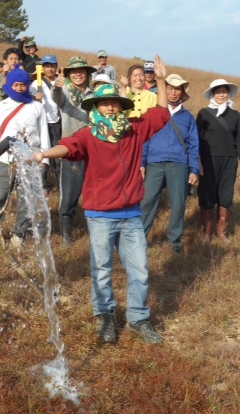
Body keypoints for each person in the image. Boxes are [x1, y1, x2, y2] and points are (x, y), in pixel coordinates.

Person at [33, 56, 170, 345]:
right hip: (100, 215)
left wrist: (159, 80)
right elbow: (67, 146)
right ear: (95, 107)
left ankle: (138, 318)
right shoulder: (88, 134)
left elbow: (161, 113)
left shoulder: (134, 130)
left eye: (114, 103)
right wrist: (44, 154)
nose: (109, 107)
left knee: (140, 270)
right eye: (103, 104)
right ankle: (105, 316)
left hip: (132, 213)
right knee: (103, 270)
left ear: (121, 106)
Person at [0, 66, 50, 252]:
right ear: (10, 86)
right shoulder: (0, 107)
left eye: (23, 85)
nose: (20, 88)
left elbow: (44, 133)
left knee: (26, 200)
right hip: (3, 160)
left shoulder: (37, 107)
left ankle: (19, 235)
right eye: (16, 84)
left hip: (30, 160)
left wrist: (44, 159)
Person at [140, 74, 200, 253]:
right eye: (170, 88)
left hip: (178, 164)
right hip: (154, 162)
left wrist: (194, 169)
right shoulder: (154, 112)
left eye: (177, 89)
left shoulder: (188, 117)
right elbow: (145, 139)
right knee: (147, 201)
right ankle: (141, 239)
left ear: (182, 92)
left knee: (178, 203)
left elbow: (194, 144)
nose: (173, 93)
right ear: (164, 90)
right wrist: (142, 162)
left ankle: (175, 240)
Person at [51, 56, 96, 246]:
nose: (78, 74)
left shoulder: (94, 96)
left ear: (87, 74)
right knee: (69, 192)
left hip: (93, 150)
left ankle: (95, 231)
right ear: (69, 74)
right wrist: (57, 86)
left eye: (81, 71)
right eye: (74, 72)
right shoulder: (65, 92)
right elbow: (57, 98)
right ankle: (66, 237)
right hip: (71, 149)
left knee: (94, 191)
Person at [196, 79, 240, 243]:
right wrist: (198, 161)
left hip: (229, 161)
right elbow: (196, 139)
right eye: (218, 92)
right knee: (207, 194)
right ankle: (206, 233)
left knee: (226, 195)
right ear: (212, 94)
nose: (221, 95)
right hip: (207, 160)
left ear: (229, 94)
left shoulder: (235, 115)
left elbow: (239, 139)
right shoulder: (203, 113)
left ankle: (222, 233)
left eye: (224, 92)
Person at [29, 54, 61, 190]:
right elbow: (28, 100)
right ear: (42, 68)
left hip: (58, 122)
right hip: (42, 123)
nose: (50, 69)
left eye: (52, 66)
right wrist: (34, 98)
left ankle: (61, 184)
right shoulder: (37, 84)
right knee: (42, 153)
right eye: (47, 66)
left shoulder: (60, 82)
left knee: (58, 154)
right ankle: (44, 185)